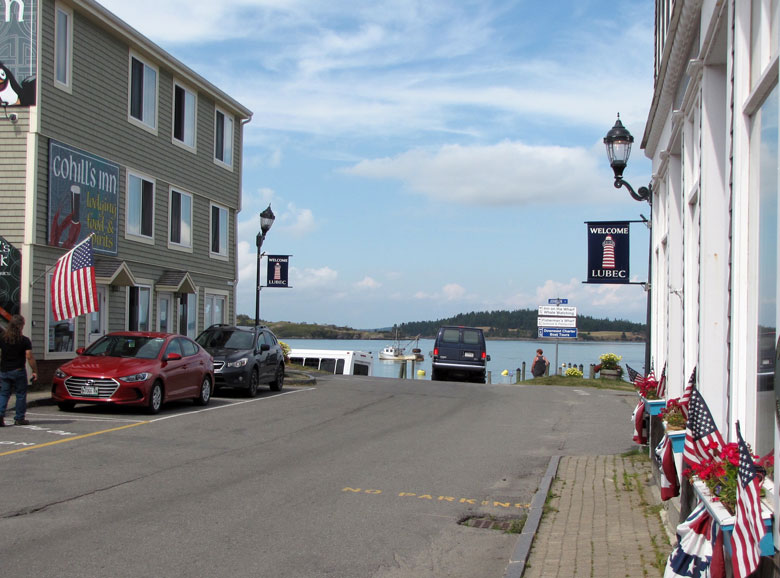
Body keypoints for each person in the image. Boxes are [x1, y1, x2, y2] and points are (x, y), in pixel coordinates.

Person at [0, 314, 38, 426]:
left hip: (4, 370)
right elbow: (29, 356)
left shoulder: (2, 338)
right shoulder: (24, 340)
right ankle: (19, 418)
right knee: (20, 394)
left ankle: (0, 415)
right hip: (18, 370)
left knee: (4, 394)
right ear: (21, 326)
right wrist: (35, 370)